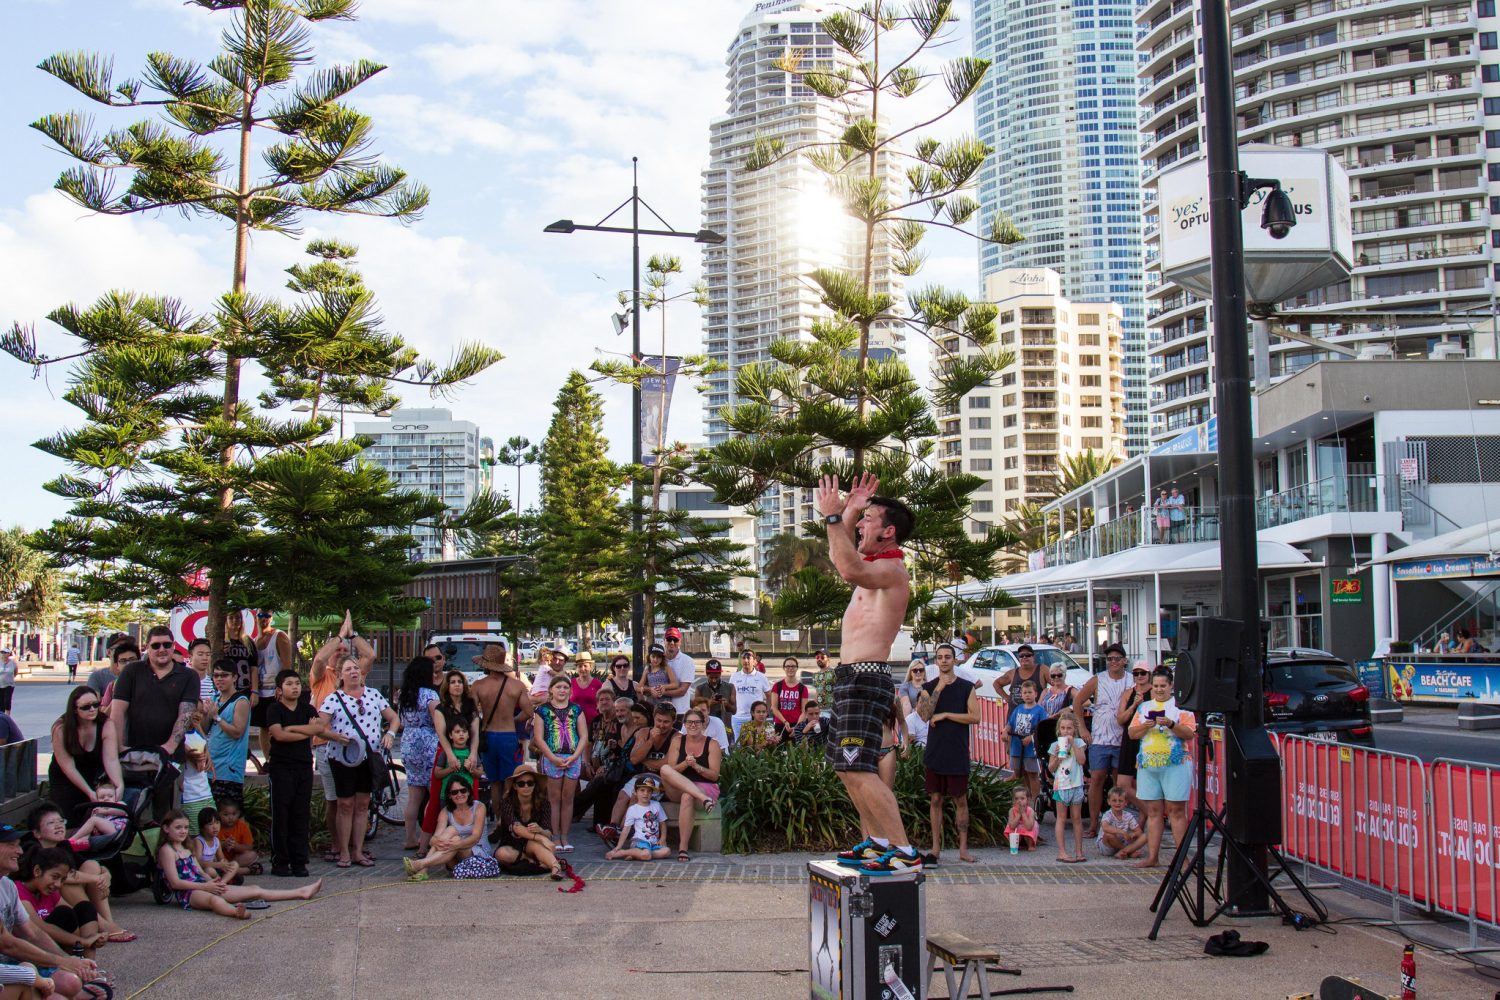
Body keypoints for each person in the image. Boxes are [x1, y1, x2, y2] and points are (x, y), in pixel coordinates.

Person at [817, 472, 920, 874]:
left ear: (889, 532)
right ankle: (877, 841)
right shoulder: (874, 563)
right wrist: (852, 509)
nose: (860, 525)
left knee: (859, 768)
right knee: (846, 767)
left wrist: (832, 515)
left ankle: (903, 850)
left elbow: (846, 567)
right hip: (850, 678)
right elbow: (839, 553)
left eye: (869, 519)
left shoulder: (893, 571)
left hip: (865, 677)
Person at [155, 809, 321, 919]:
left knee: (254, 890)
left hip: (203, 885)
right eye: (178, 828)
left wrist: (211, 882)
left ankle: (301, 892)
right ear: (166, 828)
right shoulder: (167, 850)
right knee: (214, 901)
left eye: (185, 827)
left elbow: (200, 871)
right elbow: (175, 883)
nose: (183, 831)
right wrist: (206, 887)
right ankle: (237, 913)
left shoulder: (187, 847)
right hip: (189, 893)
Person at [0, 823, 99, 1000]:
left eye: (18, 845)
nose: (19, 851)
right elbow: (8, 943)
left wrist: (68, 962)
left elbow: (32, 932)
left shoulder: (6, 885)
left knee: (71, 982)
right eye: (11, 845)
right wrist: (63, 960)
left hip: (13, 966)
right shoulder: (18, 888)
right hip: (8, 971)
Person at [317, 658, 400, 869]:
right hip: (342, 757)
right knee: (345, 804)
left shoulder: (373, 694)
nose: (354, 672)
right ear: (340, 675)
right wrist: (335, 737)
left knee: (363, 804)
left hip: (369, 756)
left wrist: (389, 733)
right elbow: (319, 727)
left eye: (356, 668)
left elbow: (394, 718)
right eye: (348, 669)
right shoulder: (333, 699)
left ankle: (358, 850)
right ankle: (344, 851)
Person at [308, 614, 374, 857]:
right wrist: (338, 637)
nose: (340, 653)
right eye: (338, 650)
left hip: (356, 750)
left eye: (345, 651)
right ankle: (338, 845)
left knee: (357, 800)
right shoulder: (321, 676)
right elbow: (319, 658)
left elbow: (370, 656)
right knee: (335, 799)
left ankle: (354, 847)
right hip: (327, 746)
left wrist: (352, 635)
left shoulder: (355, 676)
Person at [23, 807, 130, 945]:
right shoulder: (32, 849)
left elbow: (87, 865)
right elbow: (65, 875)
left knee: (92, 865)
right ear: (36, 833)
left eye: (61, 821)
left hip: (62, 896)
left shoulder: (63, 845)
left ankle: (107, 921)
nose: (58, 825)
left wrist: (106, 875)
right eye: (51, 823)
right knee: (65, 881)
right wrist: (96, 878)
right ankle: (102, 924)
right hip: (45, 896)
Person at [1127, 667, 1196, 869]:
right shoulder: (1144, 707)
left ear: (1171, 685)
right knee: (1154, 811)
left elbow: (1189, 733)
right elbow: (1132, 733)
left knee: (1176, 811)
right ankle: (1152, 857)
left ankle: (1182, 859)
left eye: (1163, 686)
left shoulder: (1181, 707)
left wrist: (1171, 724)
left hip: (1176, 764)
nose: (1158, 690)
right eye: (1155, 686)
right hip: (1148, 764)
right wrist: (1145, 726)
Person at [921, 643, 979, 865]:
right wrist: (939, 689)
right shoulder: (928, 686)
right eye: (940, 657)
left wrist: (945, 714)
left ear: (955, 660)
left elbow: (975, 717)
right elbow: (925, 714)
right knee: (935, 799)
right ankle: (935, 847)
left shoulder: (967, 686)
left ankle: (963, 848)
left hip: (957, 751)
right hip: (936, 752)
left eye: (948, 657)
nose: (944, 660)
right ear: (936, 661)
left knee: (960, 799)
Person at [110, 625, 198, 764]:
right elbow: (117, 712)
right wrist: (118, 747)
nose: (162, 649)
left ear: (173, 646)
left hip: (171, 757)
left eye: (167, 644)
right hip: (134, 753)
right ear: (147, 647)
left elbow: (186, 714)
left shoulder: (189, 676)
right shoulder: (131, 672)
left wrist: (169, 747)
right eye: (156, 645)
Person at [1073, 643, 1133, 837]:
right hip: (1100, 737)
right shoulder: (1098, 679)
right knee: (1097, 779)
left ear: (1124, 661)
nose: (1113, 662)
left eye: (1117, 658)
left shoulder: (1132, 681)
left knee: (1119, 784)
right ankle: (1093, 824)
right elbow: (1077, 701)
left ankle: (1120, 823)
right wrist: (1082, 726)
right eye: (1109, 659)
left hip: (1123, 739)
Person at [265, 669, 320, 877]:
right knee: (281, 814)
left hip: (304, 766)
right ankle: (280, 861)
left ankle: (299, 861)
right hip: (281, 766)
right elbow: (278, 735)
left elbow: (319, 729)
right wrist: (306, 730)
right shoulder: (274, 709)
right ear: (280, 689)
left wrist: (292, 730)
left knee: (300, 814)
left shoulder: (308, 709)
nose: (295, 687)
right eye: (289, 684)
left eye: (297, 683)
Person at [46, 687, 123, 831]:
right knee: (68, 816)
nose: (92, 709)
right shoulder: (61, 728)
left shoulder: (106, 724)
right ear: (75, 709)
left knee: (95, 814)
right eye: (86, 707)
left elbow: (111, 760)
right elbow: (67, 766)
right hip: (65, 778)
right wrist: (88, 791)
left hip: (93, 773)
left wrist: (119, 784)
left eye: (96, 704)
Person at [471, 643, 531, 817]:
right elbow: (528, 712)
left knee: (494, 782)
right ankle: (508, 820)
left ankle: (497, 818)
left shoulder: (478, 685)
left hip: (488, 736)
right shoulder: (516, 685)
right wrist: (513, 720)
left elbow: (472, 713)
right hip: (508, 735)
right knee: (509, 781)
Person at [13, 846, 105, 961]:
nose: (58, 884)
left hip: (56, 944)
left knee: (85, 907)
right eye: (55, 877)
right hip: (33, 947)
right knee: (64, 914)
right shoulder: (17, 890)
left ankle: (89, 964)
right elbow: (38, 928)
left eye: (62, 880)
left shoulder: (49, 892)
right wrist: (83, 941)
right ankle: (77, 962)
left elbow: (76, 916)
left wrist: (95, 938)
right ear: (37, 871)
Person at [657, 708, 720, 862]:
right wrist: (686, 763)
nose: (693, 725)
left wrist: (697, 766)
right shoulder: (678, 741)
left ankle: (683, 847)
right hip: (679, 786)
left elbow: (714, 775)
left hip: (704, 787)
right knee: (665, 769)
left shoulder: (712, 744)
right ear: (684, 724)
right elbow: (671, 770)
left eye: (697, 722)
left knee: (687, 796)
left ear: (703, 724)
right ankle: (702, 798)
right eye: (689, 722)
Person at [533, 675, 587, 853]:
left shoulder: (577, 710)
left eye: (565, 687)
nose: (562, 690)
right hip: (552, 757)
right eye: (558, 687)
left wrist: (575, 756)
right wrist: (552, 757)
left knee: (568, 798)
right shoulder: (542, 710)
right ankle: (555, 835)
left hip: (572, 757)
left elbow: (584, 736)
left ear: (570, 690)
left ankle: (565, 835)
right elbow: (539, 738)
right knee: (553, 799)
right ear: (551, 690)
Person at [395, 656, 440, 853]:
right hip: (428, 742)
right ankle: (427, 836)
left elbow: (402, 721)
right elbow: (437, 717)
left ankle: (409, 837)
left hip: (408, 741)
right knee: (434, 793)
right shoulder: (430, 694)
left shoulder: (405, 694)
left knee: (413, 796)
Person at [403, 781, 491, 881]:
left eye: (463, 790)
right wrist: (439, 841)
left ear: (468, 792)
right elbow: (434, 839)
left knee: (454, 837)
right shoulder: (446, 811)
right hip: (453, 855)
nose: (459, 794)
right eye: (454, 792)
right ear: (449, 796)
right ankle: (422, 868)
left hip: (478, 854)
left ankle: (421, 866)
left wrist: (456, 844)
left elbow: (476, 837)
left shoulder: (479, 807)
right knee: (450, 831)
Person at [607, 703, 677, 830]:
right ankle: (613, 826)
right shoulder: (644, 732)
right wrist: (650, 741)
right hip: (642, 775)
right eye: (658, 721)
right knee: (623, 795)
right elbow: (634, 759)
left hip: (662, 779)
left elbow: (666, 764)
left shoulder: (676, 737)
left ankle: (622, 830)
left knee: (636, 796)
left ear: (674, 721)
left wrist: (644, 759)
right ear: (653, 718)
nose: (661, 725)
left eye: (666, 722)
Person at [490, 762, 564, 879]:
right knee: (501, 854)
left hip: (532, 844)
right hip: (512, 844)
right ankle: (536, 861)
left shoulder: (544, 803)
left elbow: (548, 832)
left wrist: (540, 830)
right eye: (521, 784)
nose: (526, 787)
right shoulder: (507, 802)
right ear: (515, 786)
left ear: (535, 785)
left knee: (534, 844)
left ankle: (555, 867)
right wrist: (540, 838)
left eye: (530, 783)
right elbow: (515, 827)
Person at [200, 659, 250, 806]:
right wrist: (205, 715)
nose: (219, 679)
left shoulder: (241, 701)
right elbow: (204, 729)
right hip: (211, 767)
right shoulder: (214, 699)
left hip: (229, 770)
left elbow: (237, 732)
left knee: (229, 817)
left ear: (234, 677)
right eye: (216, 676)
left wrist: (217, 717)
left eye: (224, 675)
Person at [422, 722, 480, 836]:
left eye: (464, 732)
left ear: (469, 735)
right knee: (447, 824)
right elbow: (437, 774)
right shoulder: (446, 753)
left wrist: (472, 770)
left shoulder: (472, 754)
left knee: (467, 822)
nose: (461, 734)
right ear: (450, 735)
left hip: (467, 795)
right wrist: (450, 769)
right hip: (447, 795)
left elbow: (480, 773)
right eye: (457, 732)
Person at [1047, 711, 1089, 863]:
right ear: (1059, 730)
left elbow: (1082, 760)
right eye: (1063, 728)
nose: (1066, 731)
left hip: (1076, 784)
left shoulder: (1079, 743)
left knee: (1077, 819)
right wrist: (1058, 757)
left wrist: (1073, 745)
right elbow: (1051, 769)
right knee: (1061, 818)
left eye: (1069, 728)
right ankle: (1062, 852)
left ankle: (1079, 851)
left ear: (1074, 730)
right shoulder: (1054, 746)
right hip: (1061, 786)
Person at [251, 611, 292, 760]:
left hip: (276, 691)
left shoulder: (279, 636)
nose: (264, 619)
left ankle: (281, 759)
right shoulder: (255, 641)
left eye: (267, 616)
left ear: (272, 618)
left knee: (278, 726)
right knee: (263, 727)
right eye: (261, 616)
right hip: (261, 692)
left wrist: (281, 687)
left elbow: (287, 664)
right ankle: (268, 760)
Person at [1114, 661, 1154, 809]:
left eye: (1143, 673)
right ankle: (1152, 813)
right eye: (1136, 673)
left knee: (1142, 786)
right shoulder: (1128, 693)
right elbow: (1120, 719)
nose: (1139, 676)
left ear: (1149, 675)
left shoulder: (1154, 692)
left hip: (1148, 739)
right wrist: (1134, 705)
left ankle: (1146, 822)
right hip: (1130, 739)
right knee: (1123, 784)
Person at [606, 775, 671, 861]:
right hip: (639, 842)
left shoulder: (656, 805)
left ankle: (636, 854)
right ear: (635, 792)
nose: (645, 793)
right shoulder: (633, 809)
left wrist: (663, 838)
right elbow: (626, 829)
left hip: (654, 843)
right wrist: (618, 846)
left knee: (667, 851)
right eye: (642, 790)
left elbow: (662, 823)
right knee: (646, 854)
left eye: (649, 791)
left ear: (652, 794)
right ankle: (623, 852)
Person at [1002, 679, 1046, 806]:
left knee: (1032, 774)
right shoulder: (1018, 708)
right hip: (1017, 745)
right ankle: (1025, 799)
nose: (1027, 695)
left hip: (1031, 748)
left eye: (1030, 692)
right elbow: (1010, 723)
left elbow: (1041, 728)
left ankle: (1036, 801)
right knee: (1020, 774)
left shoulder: (1039, 710)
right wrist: (1005, 731)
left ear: (1035, 694)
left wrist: (1031, 737)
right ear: (1021, 694)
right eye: (1025, 692)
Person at [728, 650, 771, 742]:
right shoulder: (734, 677)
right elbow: (730, 696)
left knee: (757, 746)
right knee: (739, 747)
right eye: (743, 658)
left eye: (749, 658)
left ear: (754, 661)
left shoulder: (761, 677)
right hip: (738, 718)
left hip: (755, 719)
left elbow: (769, 695)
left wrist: (766, 712)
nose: (746, 661)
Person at [1097, 786, 1147, 859]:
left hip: (1123, 841)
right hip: (1108, 846)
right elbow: (1105, 827)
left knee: (1146, 836)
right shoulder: (1107, 814)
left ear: (1126, 802)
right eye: (1114, 800)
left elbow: (1139, 831)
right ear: (1109, 802)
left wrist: (1134, 834)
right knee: (1108, 835)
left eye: (1120, 801)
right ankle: (1128, 851)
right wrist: (1122, 832)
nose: (1117, 803)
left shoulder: (1128, 815)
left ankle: (1123, 852)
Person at [220, 614, 260, 705]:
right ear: (226, 620)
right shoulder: (221, 640)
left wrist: (255, 691)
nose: (235, 620)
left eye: (238, 617)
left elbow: (253, 667)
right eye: (231, 617)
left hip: (244, 688)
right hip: (225, 688)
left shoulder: (248, 641)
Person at [191, 807, 237, 882]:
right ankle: (222, 882)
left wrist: (225, 863)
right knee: (209, 870)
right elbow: (198, 863)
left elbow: (221, 858)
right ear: (202, 827)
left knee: (234, 864)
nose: (215, 827)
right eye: (210, 824)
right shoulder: (199, 841)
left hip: (216, 869)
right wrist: (218, 865)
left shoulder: (216, 840)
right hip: (203, 872)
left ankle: (222, 882)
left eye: (217, 823)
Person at [213, 797, 259, 872]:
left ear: (239, 813)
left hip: (236, 859)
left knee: (252, 855)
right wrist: (223, 844)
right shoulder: (215, 826)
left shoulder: (243, 826)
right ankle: (241, 870)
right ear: (218, 814)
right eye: (226, 814)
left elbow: (249, 846)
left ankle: (227, 868)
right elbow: (209, 846)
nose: (230, 817)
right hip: (219, 859)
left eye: (234, 814)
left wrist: (236, 846)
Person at [992, 644, 1044, 709]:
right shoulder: (1013, 673)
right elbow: (996, 683)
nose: (1024, 657)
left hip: (1035, 715)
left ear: (1033, 657)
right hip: (1014, 714)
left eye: (1028, 655)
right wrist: (1006, 697)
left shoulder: (1042, 670)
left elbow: (1056, 683)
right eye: (1021, 656)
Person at [659, 627, 697, 715]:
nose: (672, 643)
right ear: (664, 640)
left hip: (679, 712)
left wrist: (662, 692)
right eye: (669, 639)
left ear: (680, 642)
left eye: (675, 640)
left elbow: (682, 690)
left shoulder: (687, 661)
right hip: (659, 712)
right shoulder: (656, 659)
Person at [770, 657, 810, 734]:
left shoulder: (803, 688)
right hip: (780, 724)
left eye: (793, 666)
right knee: (780, 746)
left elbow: (804, 711)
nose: (790, 668)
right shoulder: (777, 686)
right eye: (787, 666)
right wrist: (785, 722)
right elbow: (774, 708)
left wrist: (797, 727)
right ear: (784, 668)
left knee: (796, 746)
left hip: (796, 724)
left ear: (797, 668)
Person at [691, 659, 735, 731]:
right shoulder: (699, 688)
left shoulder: (730, 687)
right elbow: (695, 710)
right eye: (711, 677)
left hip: (725, 726)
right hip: (705, 726)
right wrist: (709, 703)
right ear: (706, 674)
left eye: (716, 677)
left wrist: (727, 704)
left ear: (720, 674)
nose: (714, 680)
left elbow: (734, 711)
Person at [569, 650, 604, 729]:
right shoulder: (571, 683)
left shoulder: (597, 684)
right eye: (580, 666)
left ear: (590, 666)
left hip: (593, 724)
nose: (582, 668)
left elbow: (602, 703)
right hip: (574, 723)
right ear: (576, 668)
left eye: (585, 666)